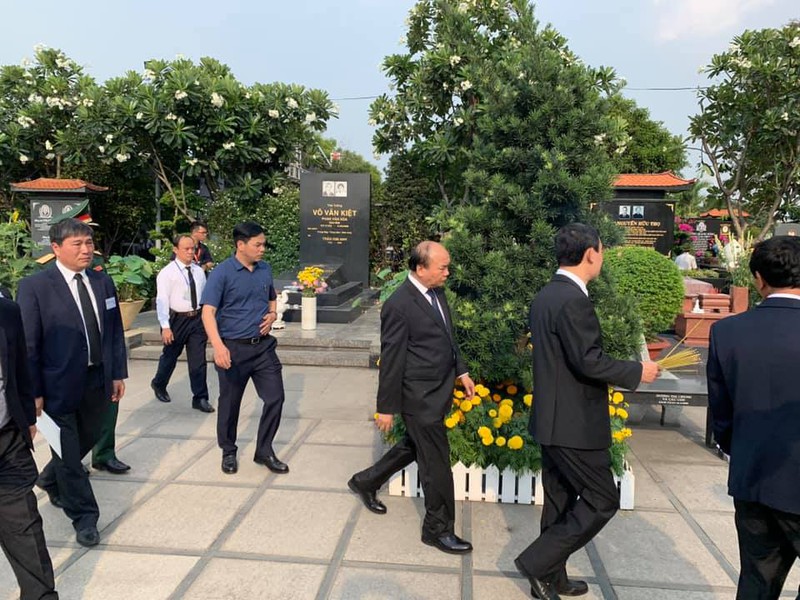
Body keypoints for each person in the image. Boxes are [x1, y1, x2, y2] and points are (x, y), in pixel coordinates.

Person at [514, 223, 659, 599]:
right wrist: (637, 371)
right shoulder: (572, 300)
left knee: (560, 500)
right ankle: (537, 563)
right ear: (591, 253)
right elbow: (588, 361)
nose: (603, 257)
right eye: (602, 250)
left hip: (552, 419)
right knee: (602, 499)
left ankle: (551, 578)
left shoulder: (547, 294)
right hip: (573, 424)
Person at [347, 241, 476, 555]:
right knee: (436, 465)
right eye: (442, 267)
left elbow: (448, 338)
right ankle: (437, 529)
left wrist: (461, 371)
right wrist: (386, 408)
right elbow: (392, 360)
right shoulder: (399, 305)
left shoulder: (437, 293)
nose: (447, 273)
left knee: (415, 446)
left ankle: (365, 481)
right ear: (420, 268)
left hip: (439, 389)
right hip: (419, 397)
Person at [17, 218, 128, 548]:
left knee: (88, 437)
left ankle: (50, 478)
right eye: (77, 244)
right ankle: (85, 517)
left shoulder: (102, 281)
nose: (86, 249)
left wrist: (117, 373)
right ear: (56, 248)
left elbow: (114, 332)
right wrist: (33, 392)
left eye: (89, 242)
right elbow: (28, 345)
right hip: (55, 387)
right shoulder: (36, 287)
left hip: (97, 379)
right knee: (68, 454)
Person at [707, 235, 800, 599]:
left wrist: (742, 448)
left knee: (757, 582)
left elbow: (722, 412)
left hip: (754, 476)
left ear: (758, 279)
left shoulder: (727, 332)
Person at [201, 222, 287, 475]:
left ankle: (264, 450)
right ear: (240, 245)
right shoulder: (222, 273)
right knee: (230, 404)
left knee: (275, 397)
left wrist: (272, 314)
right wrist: (218, 346)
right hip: (232, 349)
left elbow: (272, 297)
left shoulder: (265, 269)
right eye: (257, 245)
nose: (262, 249)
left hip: (262, 349)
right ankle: (228, 451)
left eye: (263, 244)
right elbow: (208, 312)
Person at [0, 297, 58, 599]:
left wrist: (26, 418)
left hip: (8, 440)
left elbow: (19, 369)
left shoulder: (6, 311)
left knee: (26, 528)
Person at [150, 235, 213, 413]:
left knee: (198, 360)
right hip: (176, 320)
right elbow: (162, 300)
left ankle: (200, 397)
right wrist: (165, 326)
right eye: (186, 249)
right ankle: (159, 383)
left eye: (192, 248)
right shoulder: (167, 273)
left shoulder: (198, 271)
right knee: (170, 357)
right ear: (175, 250)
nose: (190, 252)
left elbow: (205, 296)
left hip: (197, 319)